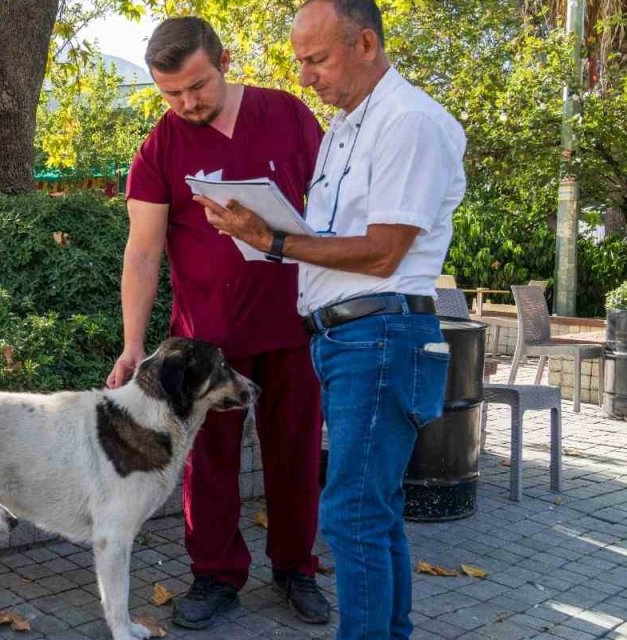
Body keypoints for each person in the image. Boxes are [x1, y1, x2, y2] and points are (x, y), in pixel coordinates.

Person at [200, 0, 467, 636]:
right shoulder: (348, 127)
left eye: (316, 59)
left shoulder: (407, 121)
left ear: (366, 44)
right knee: (372, 511)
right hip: (349, 337)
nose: (305, 76)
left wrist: (272, 240)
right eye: (299, 62)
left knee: (350, 514)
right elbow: (343, 237)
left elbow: (383, 250)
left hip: (381, 334)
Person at [107, 16, 330, 629]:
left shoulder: (288, 115)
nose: (186, 103)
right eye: (171, 93)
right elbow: (143, 252)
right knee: (206, 463)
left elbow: (334, 208)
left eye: (197, 86)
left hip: (293, 323)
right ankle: (215, 576)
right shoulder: (161, 145)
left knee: (296, 452)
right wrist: (133, 344)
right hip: (206, 345)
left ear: (223, 59)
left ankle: (296, 569)